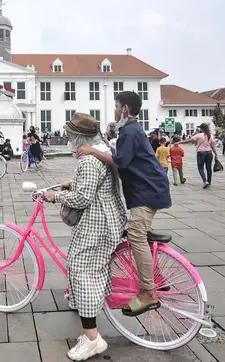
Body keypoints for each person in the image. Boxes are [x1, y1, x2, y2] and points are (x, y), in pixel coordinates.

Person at [78, 91, 171, 319]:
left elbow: (121, 161)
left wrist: (91, 150)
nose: (116, 110)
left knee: (136, 236)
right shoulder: (132, 130)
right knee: (141, 235)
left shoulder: (130, 131)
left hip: (147, 192)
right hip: (149, 189)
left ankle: (149, 291)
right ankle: (157, 278)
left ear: (126, 109)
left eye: (118, 106)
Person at [43, 113, 127, 361]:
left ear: (79, 137)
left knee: (81, 270)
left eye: (70, 136)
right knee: (93, 268)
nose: (68, 140)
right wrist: (73, 182)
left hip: (97, 224)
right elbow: (95, 184)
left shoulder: (89, 160)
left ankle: (92, 339)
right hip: (109, 217)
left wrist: (55, 197)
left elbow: (83, 199)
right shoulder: (100, 151)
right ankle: (84, 301)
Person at [176, 123, 219, 189]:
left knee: (200, 168)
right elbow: (213, 146)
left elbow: (189, 140)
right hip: (209, 153)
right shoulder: (210, 135)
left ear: (202, 129)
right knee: (208, 168)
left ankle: (205, 181)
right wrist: (216, 154)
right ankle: (209, 181)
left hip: (201, 153)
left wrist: (179, 142)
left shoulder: (198, 135)